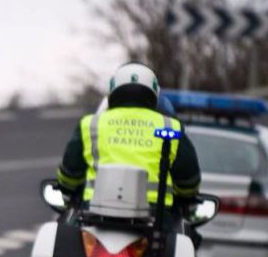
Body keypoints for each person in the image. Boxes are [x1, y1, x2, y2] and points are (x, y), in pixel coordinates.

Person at [57, 62, 201, 213]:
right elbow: (189, 181)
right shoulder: (170, 127)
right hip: (156, 217)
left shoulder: (91, 124)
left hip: (93, 214)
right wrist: (186, 197)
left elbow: (69, 174)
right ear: (154, 95)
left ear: (113, 92)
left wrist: (68, 188)